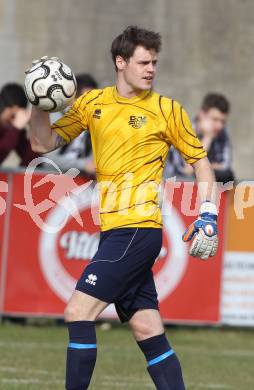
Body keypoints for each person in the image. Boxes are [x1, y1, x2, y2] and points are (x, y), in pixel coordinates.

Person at [28, 26, 219, 390]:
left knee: (77, 312)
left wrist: (208, 212)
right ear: (121, 62)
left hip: (139, 229)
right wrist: (39, 101)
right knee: (147, 328)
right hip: (113, 232)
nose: (151, 69)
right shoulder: (93, 103)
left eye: (154, 62)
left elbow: (201, 162)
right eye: (143, 62)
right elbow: (42, 142)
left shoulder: (167, 110)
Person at [166, 93, 234, 183]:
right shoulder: (183, 131)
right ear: (202, 114)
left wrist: (201, 168)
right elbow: (185, 172)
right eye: (215, 119)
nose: (219, 126)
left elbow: (225, 168)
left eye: (222, 121)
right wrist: (207, 138)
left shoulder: (222, 134)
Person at [45, 74, 97, 176]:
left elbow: (94, 161)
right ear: (72, 99)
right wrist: (83, 165)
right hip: (49, 181)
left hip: (81, 185)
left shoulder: (93, 122)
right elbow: (48, 160)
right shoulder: (55, 118)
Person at [0, 83, 39, 166]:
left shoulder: (13, 131)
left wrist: (35, 130)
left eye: (17, 117)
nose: (14, 120)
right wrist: (15, 129)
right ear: (1, 107)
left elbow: (33, 162)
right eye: (12, 115)